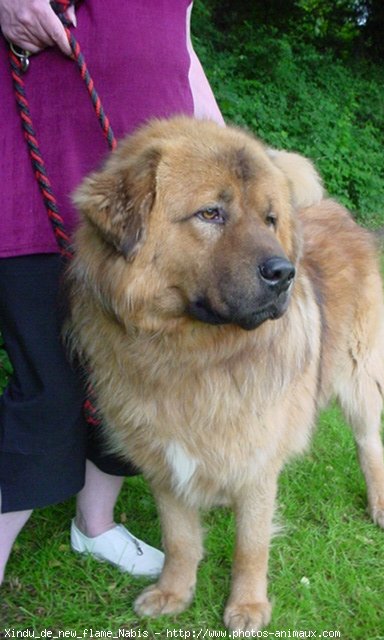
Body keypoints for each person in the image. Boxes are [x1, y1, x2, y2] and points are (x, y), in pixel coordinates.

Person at [0, 0, 223, 585]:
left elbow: (179, 44)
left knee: (139, 382)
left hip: (162, 208)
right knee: (49, 387)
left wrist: (225, 145)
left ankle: (94, 525)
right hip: (42, 164)